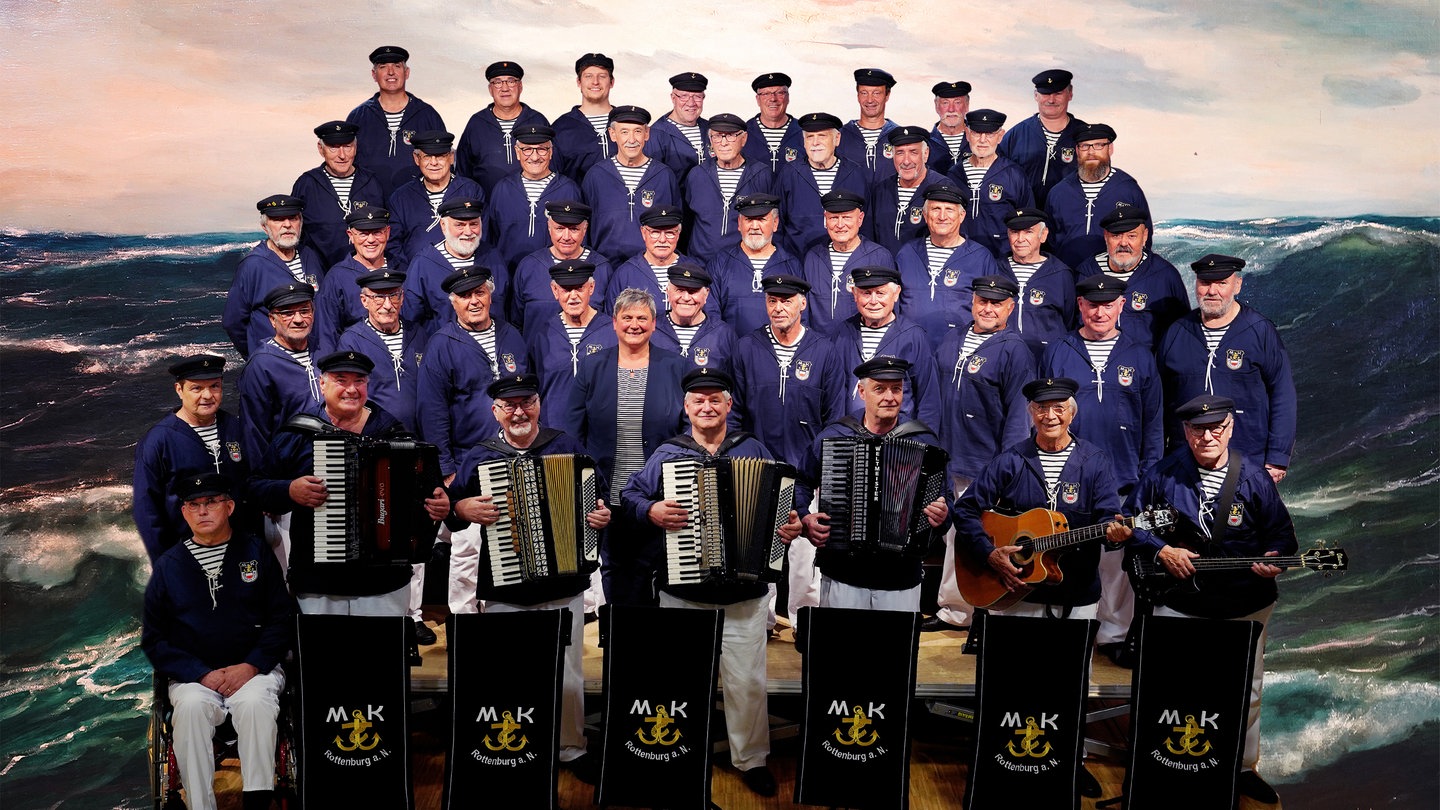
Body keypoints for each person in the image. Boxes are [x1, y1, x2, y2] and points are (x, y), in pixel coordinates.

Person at [621, 367, 801, 797]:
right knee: (682, 682)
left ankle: (751, 759)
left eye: (715, 399)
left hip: (744, 591)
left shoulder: (753, 448)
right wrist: (651, 512)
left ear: (728, 405)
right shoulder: (668, 453)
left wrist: (788, 523)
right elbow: (630, 495)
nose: (707, 407)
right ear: (686, 408)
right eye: (698, 401)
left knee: (747, 682)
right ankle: (682, 752)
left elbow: (782, 502)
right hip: (683, 590)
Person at [1118, 394, 1297, 804]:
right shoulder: (1163, 475)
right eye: (1198, 429)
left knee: (1247, 689)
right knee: (1172, 687)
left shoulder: (1254, 477)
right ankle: (1164, 763)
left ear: (1230, 428)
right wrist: (1162, 550)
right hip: (1181, 602)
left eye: (1217, 428)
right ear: (1185, 431)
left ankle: (1242, 767)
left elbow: (1282, 538)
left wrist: (1274, 560)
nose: (1208, 436)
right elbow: (1132, 524)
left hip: (1244, 603)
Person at [447, 373, 612, 784]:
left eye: (527, 402)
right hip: (505, 583)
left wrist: (601, 515)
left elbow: (600, 498)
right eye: (510, 405)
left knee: (568, 671)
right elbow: (450, 508)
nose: (519, 411)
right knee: (510, 670)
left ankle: (571, 748)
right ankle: (518, 745)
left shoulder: (567, 446)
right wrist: (464, 507)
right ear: (496, 412)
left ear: (539, 404)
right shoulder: (480, 456)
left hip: (564, 581)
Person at [250, 352, 449, 626]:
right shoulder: (298, 433)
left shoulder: (393, 433)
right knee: (326, 663)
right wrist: (289, 491)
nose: (351, 389)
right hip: (319, 579)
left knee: (382, 661)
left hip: (384, 581)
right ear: (322, 384)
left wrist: (439, 505)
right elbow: (256, 487)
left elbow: (430, 495)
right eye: (341, 380)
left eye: (359, 381)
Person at [142, 472, 294, 810]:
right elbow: (155, 640)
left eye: (211, 502)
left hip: (254, 670)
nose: (202, 511)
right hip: (195, 677)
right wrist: (200, 673)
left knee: (256, 705)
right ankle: (200, 805)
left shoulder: (255, 551)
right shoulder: (169, 567)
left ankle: (258, 800)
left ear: (229, 506)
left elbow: (281, 619)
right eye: (193, 505)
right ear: (184, 513)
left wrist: (251, 665)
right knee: (192, 708)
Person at [1040, 274, 1163, 661]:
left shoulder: (1140, 354)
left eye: (1107, 305)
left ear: (1121, 307)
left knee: (1115, 561)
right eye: (1092, 304)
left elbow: (1154, 421)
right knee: (1066, 555)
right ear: (1080, 306)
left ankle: (1111, 635)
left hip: (1125, 474)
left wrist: (1150, 474)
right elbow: (1042, 412)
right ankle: (1064, 629)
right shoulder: (1059, 349)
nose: (1099, 311)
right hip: (1068, 472)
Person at [952, 377, 1127, 619]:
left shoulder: (1095, 462)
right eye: (1041, 408)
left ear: (1072, 413)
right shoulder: (1011, 460)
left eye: (1059, 408)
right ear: (1031, 414)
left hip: (1076, 593)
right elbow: (965, 510)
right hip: (1016, 590)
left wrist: (1116, 537)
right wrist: (989, 553)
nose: (1050, 416)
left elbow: (1108, 518)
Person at [729, 274, 849, 620]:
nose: (778, 307)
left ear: (802, 303)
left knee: (802, 551)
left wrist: (824, 467)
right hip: (759, 466)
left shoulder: (825, 349)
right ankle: (760, 618)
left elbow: (835, 416)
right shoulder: (747, 346)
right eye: (772, 301)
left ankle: (804, 620)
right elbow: (734, 410)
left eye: (786, 300)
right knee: (756, 544)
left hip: (805, 469)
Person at [561, 288, 688, 606]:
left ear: (654, 324)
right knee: (616, 575)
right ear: (614, 323)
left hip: (659, 495)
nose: (634, 324)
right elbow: (572, 434)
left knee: (658, 574)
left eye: (642, 318)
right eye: (627, 317)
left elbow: (689, 431)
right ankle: (620, 646)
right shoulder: (592, 367)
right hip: (608, 495)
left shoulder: (677, 367)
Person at [927, 276, 1036, 632]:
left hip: (986, 463)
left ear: (1010, 308)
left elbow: (1019, 416)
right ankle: (956, 609)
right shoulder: (952, 338)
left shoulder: (1015, 349)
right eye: (982, 301)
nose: (987, 309)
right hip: (948, 455)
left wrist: (1009, 469)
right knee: (952, 535)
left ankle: (986, 611)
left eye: (996, 303)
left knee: (983, 536)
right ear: (972, 302)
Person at [800, 357, 950, 611]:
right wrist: (805, 518)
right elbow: (802, 482)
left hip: (901, 577)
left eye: (896, 389)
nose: (889, 397)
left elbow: (947, 502)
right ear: (862, 392)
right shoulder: (836, 435)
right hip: (842, 573)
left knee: (894, 651)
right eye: (879, 389)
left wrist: (943, 515)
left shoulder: (925, 442)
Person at [1158, 255, 1296, 481]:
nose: (1212, 291)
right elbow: (1157, 402)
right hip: (1185, 462)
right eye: (1205, 283)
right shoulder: (1176, 333)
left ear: (1237, 285)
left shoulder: (1260, 331)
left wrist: (1277, 457)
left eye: (1222, 283)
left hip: (1247, 460)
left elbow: (1283, 394)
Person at [134, 356, 251, 564]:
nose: (207, 395)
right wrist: (167, 567)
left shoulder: (235, 428)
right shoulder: (158, 441)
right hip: (189, 557)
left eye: (214, 386)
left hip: (241, 550)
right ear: (179, 389)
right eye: (197, 388)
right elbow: (148, 511)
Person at [415, 266, 527, 481]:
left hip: (516, 454)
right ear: (453, 302)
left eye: (479, 292)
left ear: (490, 296)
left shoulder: (511, 334)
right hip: (468, 459)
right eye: (465, 296)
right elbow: (432, 412)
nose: (474, 301)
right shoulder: (440, 345)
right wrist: (445, 467)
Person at [894, 183, 1007, 347]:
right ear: (925, 215)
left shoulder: (981, 257)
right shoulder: (907, 253)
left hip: (958, 350)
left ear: (961, 216)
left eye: (949, 210)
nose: (942, 216)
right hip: (909, 347)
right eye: (935, 209)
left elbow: (993, 311)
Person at [832, 266, 942, 429]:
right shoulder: (842, 333)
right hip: (850, 435)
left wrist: (925, 440)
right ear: (855, 294)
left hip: (898, 438)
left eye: (881, 293)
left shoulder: (913, 336)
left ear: (896, 293)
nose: (873, 301)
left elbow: (929, 399)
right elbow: (833, 394)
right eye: (866, 293)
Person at [223, 195, 326, 360]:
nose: (287, 225)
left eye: (293, 218)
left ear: (300, 222)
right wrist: (257, 354)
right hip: (277, 361)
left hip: (316, 358)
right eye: (278, 220)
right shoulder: (253, 265)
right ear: (265, 226)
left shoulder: (310, 255)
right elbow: (233, 322)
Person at [1070, 207, 1187, 351]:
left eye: (1132, 236)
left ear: (1144, 236)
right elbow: (1069, 323)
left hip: (1144, 368)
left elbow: (1181, 333)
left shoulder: (1165, 276)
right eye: (1116, 236)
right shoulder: (1085, 273)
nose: (1124, 243)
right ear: (1106, 236)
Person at [580, 105, 681, 264]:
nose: (632, 139)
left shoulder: (664, 176)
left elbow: (676, 227)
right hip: (604, 265)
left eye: (638, 131)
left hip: (650, 267)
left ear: (647, 134)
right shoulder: (596, 176)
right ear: (613, 134)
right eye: (624, 132)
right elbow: (583, 227)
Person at [1044, 123, 1152, 268]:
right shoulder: (1059, 192)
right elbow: (1047, 242)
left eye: (1099, 145)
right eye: (1085, 146)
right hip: (1068, 276)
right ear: (1077, 150)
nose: (1091, 152)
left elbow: (1145, 238)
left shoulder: (1129, 190)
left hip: (1114, 280)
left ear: (1110, 148)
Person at [237, 284, 322, 465]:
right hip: (290, 469)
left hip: (332, 458)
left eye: (304, 311)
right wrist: (266, 484)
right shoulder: (261, 366)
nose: (298, 319)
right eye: (287, 313)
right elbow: (254, 434)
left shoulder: (324, 350)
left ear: (313, 314)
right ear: (272, 320)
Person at [346, 45, 447, 198]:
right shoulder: (358, 117)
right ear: (374, 74)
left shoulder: (428, 115)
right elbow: (346, 165)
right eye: (383, 67)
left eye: (397, 66)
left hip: (416, 204)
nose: (391, 72)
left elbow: (445, 163)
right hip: (371, 208)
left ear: (407, 73)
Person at [334, 271, 427, 431]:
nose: (388, 305)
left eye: (393, 296)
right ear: (364, 301)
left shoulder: (418, 333)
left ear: (402, 297)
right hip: (377, 438)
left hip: (421, 435)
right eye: (378, 297)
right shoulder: (352, 341)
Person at [485, 123, 584, 273]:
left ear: (551, 152)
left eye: (542, 149)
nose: (535, 157)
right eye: (527, 149)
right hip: (508, 274)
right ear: (517, 152)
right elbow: (491, 238)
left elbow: (580, 239)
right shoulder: (502, 189)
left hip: (555, 276)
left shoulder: (569, 189)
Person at [404, 197, 508, 336]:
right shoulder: (424, 263)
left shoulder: (493, 256)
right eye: (460, 225)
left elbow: (506, 306)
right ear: (443, 225)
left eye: (474, 224)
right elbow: (411, 317)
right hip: (446, 351)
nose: (468, 232)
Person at [681, 113, 775, 264]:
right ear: (710, 140)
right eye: (717, 136)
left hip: (743, 264)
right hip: (700, 263)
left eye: (730, 136)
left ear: (743, 139)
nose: (723, 143)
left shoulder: (761, 174)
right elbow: (686, 221)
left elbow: (773, 220)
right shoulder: (697, 174)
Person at [384, 130, 487, 268]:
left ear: (451, 157)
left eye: (440, 156)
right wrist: (410, 277)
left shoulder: (471, 191)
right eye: (427, 157)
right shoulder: (401, 197)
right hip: (417, 278)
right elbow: (393, 245)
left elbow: (483, 236)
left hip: (464, 277)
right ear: (416, 158)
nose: (434, 163)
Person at [799, 189, 895, 335]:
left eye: (847, 217)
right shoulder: (812, 257)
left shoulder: (880, 257)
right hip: (818, 346)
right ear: (825, 219)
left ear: (860, 219)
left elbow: (890, 310)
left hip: (860, 346)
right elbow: (802, 308)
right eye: (833, 218)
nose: (840, 224)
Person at [291, 121, 386, 268]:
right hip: (321, 271)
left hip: (367, 272)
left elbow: (387, 228)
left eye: (347, 146)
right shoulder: (306, 184)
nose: (342, 155)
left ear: (355, 147)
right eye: (333, 148)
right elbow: (295, 231)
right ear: (321, 149)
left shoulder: (372, 182)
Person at [774, 111, 868, 259]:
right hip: (797, 262)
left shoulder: (856, 174)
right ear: (803, 142)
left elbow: (866, 223)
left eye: (822, 136)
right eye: (810, 137)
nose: (815, 143)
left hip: (847, 262)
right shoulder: (789, 174)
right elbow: (776, 224)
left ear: (837, 139)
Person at [524, 260, 617, 408]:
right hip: (554, 426)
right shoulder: (542, 335)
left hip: (600, 426)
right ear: (555, 290)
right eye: (566, 289)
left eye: (580, 288)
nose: (573, 296)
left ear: (591, 288)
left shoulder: (613, 331)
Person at [705, 193, 802, 336]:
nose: (754, 226)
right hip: (731, 352)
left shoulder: (792, 265)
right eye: (749, 220)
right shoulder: (719, 263)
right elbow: (710, 314)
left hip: (778, 353)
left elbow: (801, 316)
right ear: (739, 223)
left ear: (775, 223)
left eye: (762, 219)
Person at [511, 200, 615, 331]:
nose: (566, 237)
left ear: (585, 229)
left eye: (574, 229)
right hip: (536, 351)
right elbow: (516, 323)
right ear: (549, 228)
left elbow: (611, 324)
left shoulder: (602, 268)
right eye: (560, 228)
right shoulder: (529, 266)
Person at [456, 61, 554, 198]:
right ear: (490, 89)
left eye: (511, 81)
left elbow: (553, 166)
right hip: (485, 209)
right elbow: (463, 171)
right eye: (497, 82)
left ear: (520, 86)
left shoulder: (538, 121)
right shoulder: (476, 123)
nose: (504, 88)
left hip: (532, 205)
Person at [997, 69, 1088, 208]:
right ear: (1036, 95)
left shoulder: (1086, 135)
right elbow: (999, 178)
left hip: (1071, 217)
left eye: (1058, 93)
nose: (1051, 100)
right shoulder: (1016, 135)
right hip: (1025, 219)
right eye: (1045, 93)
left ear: (1070, 94)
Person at [949, 109, 1033, 258]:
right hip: (959, 258)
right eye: (976, 133)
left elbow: (1028, 222)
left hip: (1001, 259)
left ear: (1000, 136)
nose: (982, 140)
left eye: (990, 134)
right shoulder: (954, 175)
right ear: (967, 134)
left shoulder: (1014, 174)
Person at [313, 205, 397, 352]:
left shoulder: (403, 268)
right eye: (363, 234)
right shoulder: (336, 277)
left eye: (377, 232)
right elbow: (326, 333)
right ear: (350, 235)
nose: (371, 240)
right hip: (356, 364)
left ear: (387, 233)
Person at [999, 207, 1077, 359]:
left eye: (1028, 231)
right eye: (1015, 232)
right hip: (1001, 357)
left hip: (1046, 358)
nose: (1020, 239)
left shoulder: (1061, 274)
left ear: (1043, 235)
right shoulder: (995, 269)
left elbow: (1070, 319)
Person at [867, 126, 945, 255]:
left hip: (921, 270)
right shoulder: (881, 190)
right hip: (883, 270)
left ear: (925, 154)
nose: (906, 161)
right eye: (900, 153)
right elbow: (870, 234)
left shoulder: (941, 188)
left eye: (913, 152)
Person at [605, 205, 698, 312]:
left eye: (669, 233)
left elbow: (709, 316)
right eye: (655, 232)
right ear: (643, 233)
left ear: (678, 234)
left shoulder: (694, 270)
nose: (662, 239)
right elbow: (611, 319)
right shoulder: (625, 273)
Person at [649, 263, 737, 372]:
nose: (686, 298)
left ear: (706, 294)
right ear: (667, 291)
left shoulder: (724, 334)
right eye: (680, 290)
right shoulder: (651, 330)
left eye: (693, 291)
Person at [552, 52, 618, 182]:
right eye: (588, 76)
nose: (595, 82)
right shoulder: (560, 128)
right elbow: (554, 179)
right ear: (578, 82)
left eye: (602, 76)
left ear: (611, 82)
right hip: (577, 201)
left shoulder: (627, 123)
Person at [837, 68, 899, 188]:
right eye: (864, 93)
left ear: (887, 95)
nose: (870, 100)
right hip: (852, 206)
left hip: (888, 205)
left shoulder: (898, 137)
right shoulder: (840, 136)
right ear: (858, 96)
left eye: (876, 93)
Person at [645, 72, 710, 183]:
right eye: (684, 96)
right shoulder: (656, 134)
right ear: (673, 98)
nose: (691, 103)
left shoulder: (712, 129)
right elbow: (654, 183)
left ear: (703, 98)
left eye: (697, 96)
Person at [743, 72, 803, 175]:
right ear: (758, 99)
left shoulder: (804, 132)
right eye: (766, 93)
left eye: (779, 93)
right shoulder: (743, 133)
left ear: (787, 97)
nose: (773, 99)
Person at [927, 80, 971, 174]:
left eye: (957, 102)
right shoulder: (925, 143)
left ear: (967, 105)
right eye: (945, 103)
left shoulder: (981, 142)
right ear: (936, 106)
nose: (951, 109)